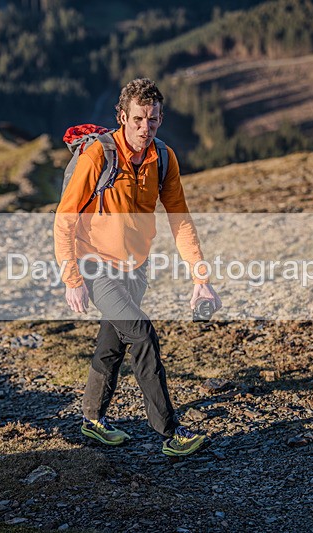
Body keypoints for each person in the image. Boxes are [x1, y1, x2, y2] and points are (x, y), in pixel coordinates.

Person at [53, 78, 222, 457]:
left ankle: (92, 419)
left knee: (112, 343)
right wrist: (72, 279)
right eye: (139, 120)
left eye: (154, 119)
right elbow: (64, 219)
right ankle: (170, 433)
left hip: (135, 268)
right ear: (122, 117)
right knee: (142, 332)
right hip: (94, 265)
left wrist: (201, 278)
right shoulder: (98, 156)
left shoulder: (163, 158)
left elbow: (181, 220)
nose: (146, 128)